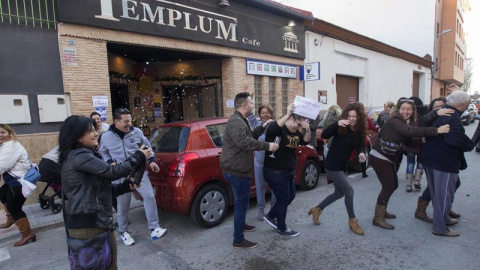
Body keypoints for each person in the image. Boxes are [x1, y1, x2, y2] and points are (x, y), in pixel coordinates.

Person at [59, 115, 149, 269]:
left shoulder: (83, 156)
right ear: (78, 136)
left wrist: (125, 187)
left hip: (98, 223)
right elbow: (112, 171)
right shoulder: (80, 157)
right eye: (91, 131)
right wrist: (138, 156)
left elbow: (101, 191)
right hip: (88, 226)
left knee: (109, 265)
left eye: (95, 130)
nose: (96, 134)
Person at [369, 99, 450, 230]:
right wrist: (436, 131)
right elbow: (410, 131)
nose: (405, 111)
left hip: (388, 158)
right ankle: (378, 218)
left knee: (393, 185)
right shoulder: (394, 120)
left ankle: (382, 210)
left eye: (409, 109)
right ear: (398, 109)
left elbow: (409, 142)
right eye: (403, 109)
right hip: (379, 157)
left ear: (412, 111)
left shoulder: (404, 122)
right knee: (388, 187)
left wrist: (423, 141)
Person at [99, 108, 167, 246]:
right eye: (126, 121)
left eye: (130, 120)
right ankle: (124, 231)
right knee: (123, 205)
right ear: (116, 121)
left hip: (138, 172)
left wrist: (152, 160)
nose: (129, 123)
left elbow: (147, 146)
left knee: (149, 196)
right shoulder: (106, 137)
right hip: (120, 174)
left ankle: (154, 228)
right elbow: (103, 152)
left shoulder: (136, 132)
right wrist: (109, 162)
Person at [220, 92, 278, 249]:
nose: (253, 105)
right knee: (240, 203)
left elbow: (250, 135)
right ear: (245, 106)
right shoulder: (236, 122)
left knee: (242, 202)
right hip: (237, 171)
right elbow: (245, 142)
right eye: (251, 103)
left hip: (238, 169)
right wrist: (267, 145)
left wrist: (262, 127)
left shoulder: (240, 120)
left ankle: (242, 225)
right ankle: (238, 239)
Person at [307, 103, 367, 235]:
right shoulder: (341, 127)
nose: (352, 119)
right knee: (349, 191)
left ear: (359, 118)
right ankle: (352, 220)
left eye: (354, 116)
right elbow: (324, 135)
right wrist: (337, 124)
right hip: (332, 165)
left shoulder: (359, 132)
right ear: (346, 116)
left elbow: (361, 146)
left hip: (343, 166)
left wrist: (362, 154)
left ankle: (317, 209)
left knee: (339, 193)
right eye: (349, 116)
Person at [422, 91, 474, 237]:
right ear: (461, 105)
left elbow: (422, 125)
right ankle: (440, 227)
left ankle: (443, 218)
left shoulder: (438, 112)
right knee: (443, 195)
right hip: (444, 162)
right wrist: (470, 144)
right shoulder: (454, 116)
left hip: (430, 159)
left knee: (437, 193)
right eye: (467, 104)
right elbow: (454, 139)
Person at [263, 103, 310, 237]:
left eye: (300, 125)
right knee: (283, 199)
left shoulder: (295, 132)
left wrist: (307, 130)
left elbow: (305, 142)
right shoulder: (278, 129)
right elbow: (272, 127)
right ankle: (282, 228)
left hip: (288, 171)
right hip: (275, 171)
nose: (298, 127)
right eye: (297, 123)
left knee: (291, 196)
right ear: (290, 119)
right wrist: (289, 113)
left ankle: (271, 215)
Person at [0, 124, 36, 246]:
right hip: (13, 181)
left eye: (2, 132)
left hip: (19, 182)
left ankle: (27, 233)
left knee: (14, 207)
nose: (0, 135)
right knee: (2, 193)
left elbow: (2, 165)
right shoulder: (5, 146)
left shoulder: (11, 145)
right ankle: (10, 218)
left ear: (9, 133)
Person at [247, 104, 276, 221]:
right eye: (263, 112)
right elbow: (250, 115)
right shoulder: (257, 125)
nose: (265, 114)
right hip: (259, 162)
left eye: (267, 112)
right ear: (259, 114)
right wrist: (250, 100)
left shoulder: (275, 125)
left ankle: (274, 209)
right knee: (260, 186)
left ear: (271, 114)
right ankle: (260, 210)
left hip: (273, 163)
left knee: (275, 186)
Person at [403, 97, 428, 192]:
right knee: (420, 162)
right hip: (421, 143)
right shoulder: (425, 114)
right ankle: (417, 181)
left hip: (410, 143)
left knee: (410, 162)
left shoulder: (409, 114)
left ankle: (408, 185)